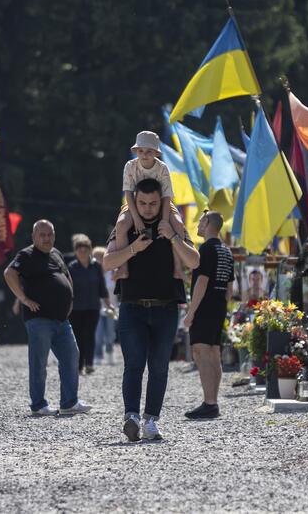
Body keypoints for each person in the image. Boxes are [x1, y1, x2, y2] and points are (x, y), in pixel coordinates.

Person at [103, 178, 199, 442]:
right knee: (133, 365)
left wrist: (174, 237)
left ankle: (150, 421)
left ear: (162, 201)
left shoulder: (171, 222)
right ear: (135, 200)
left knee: (159, 367)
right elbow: (107, 262)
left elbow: (194, 260)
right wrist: (133, 248)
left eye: (153, 203)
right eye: (142, 203)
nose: (147, 208)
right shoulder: (127, 222)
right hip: (132, 308)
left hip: (166, 308)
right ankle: (131, 417)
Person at [4, 220, 90, 417]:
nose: (46, 238)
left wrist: (70, 300)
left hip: (61, 319)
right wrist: (23, 299)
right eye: (42, 235)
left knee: (71, 356)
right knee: (39, 362)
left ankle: (70, 402)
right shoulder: (26, 255)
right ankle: (38, 405)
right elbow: (9, 274)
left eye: (50, 234)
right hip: (39, 318)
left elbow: (67, 277)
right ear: (34, 237)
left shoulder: (56, 253)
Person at [182, 211, 234, 420]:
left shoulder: (206, 249)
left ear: (207, 223)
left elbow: (201, 282)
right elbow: (230, 288)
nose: (197, 225)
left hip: (204, 307)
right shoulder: (226, 250)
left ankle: (209, 403)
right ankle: (213, 401)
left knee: (201, 353)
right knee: (213, 353)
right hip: (219, 305)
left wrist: (191, 312)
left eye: (200, 221)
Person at [113, 131, 185, 279]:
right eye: (140, 151)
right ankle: (123, 268)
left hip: (162, 204)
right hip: (134, 203)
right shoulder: (130, 166)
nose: (144, 154)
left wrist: (164, 220)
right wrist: (136, 218)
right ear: (136, 151)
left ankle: (178, 268)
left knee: (178, 225)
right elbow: (128, 194)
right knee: (120, 225)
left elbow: (166, 197)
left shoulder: (162, 168)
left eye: (148, 151)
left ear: (156, 153)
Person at [68, 234, 109, 375]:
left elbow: (102, 287)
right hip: (76, 308)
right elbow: (68, 289)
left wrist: (108, 304)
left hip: (93, 307)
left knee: (90, 335)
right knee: (78, 336)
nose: (83, 251)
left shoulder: (96, 267)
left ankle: (89, 363)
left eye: (85, 249)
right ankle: (78, 365)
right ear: (75, 251)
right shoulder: (71, 268)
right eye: (80, 249)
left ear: (90, 250)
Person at [92, 246, 118, 366]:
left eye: (99, 258)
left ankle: (110, 353)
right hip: (96, 309)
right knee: (98, 334)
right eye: (95, 258)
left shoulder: (113, 272)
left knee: (110, 335)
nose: (97, 261)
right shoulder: (93, 274)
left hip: (111, 308)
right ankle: (97, 355)